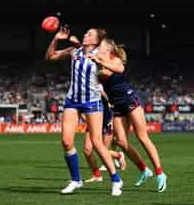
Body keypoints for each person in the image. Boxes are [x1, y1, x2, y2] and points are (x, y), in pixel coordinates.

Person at [45, 27, 123, 196]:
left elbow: (119, 68)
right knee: (66, 142)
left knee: (96, 143)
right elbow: (49, 56)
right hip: (72, 100)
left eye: (90, 34)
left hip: (92, 101)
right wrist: (56, 39)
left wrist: (99, 62)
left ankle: (116, 179)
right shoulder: (74, 51)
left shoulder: (100, 53)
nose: (85, 34)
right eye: (85, 32)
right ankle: (76, 180)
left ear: (96, 40)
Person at [93, 38, 167, 192]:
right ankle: (144, 169)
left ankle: (160, 173)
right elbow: (98, 77)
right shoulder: (97, 63)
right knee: (121, 141)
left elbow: (117, 70)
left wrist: (98, 61)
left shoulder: (116, 60)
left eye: (100, 47)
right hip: (117, 106)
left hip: (130, 100)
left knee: (142, 137)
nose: (97, 49)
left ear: (108, 50)